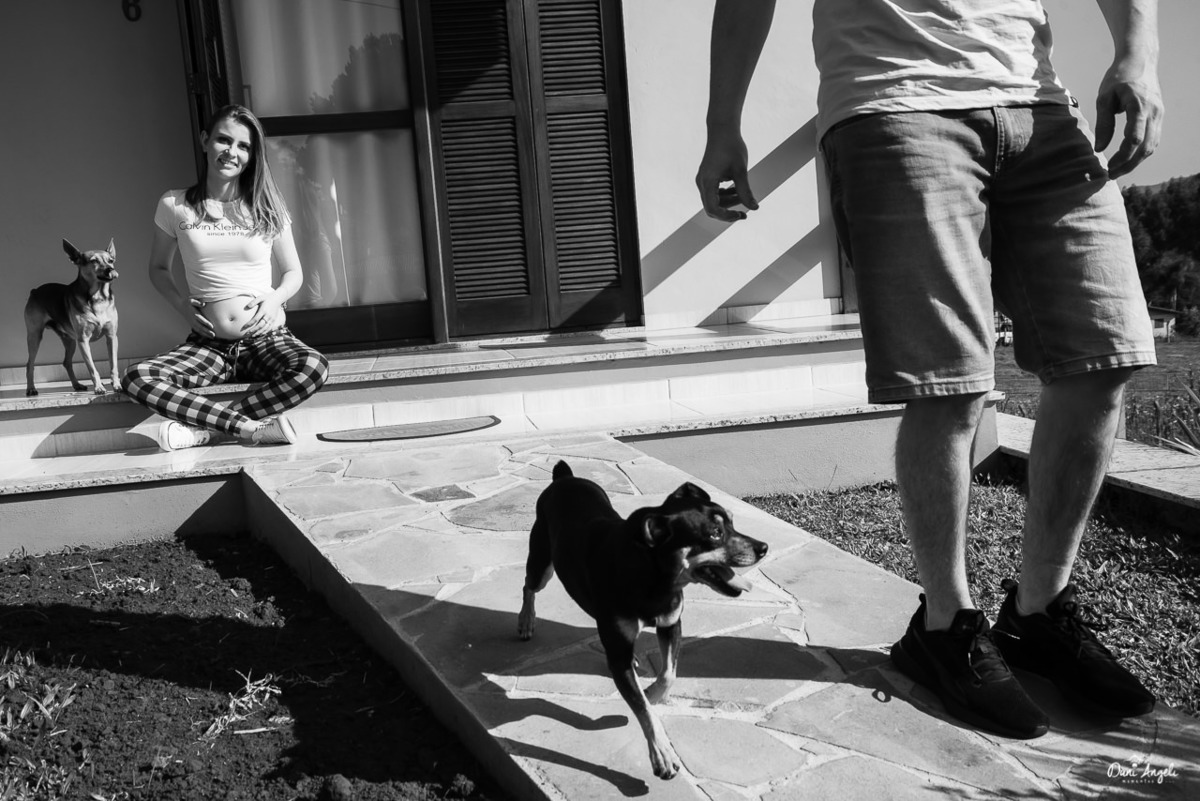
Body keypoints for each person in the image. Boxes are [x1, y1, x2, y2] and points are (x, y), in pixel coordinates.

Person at [697, 0, 1161, 738]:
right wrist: (723, 123)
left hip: (1041, 103)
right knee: (949, 384)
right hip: (893, 99)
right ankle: (944, 625)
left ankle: (1038, 612)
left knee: (1104, 357)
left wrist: (1138, 52)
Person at [122, 105, 330, 451]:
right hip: (208, 345)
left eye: (243, 146)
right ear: (205, 140)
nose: (232, 152)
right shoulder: (175, 204)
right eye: (223, 140)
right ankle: (248, 428)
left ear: (251, 155)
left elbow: (293, 273)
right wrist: (183, 308)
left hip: (266, 339)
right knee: (136, 378)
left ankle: (206, 430)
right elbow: (158, 268)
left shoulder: (267, 205)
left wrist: (275, 299)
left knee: (314, 367)